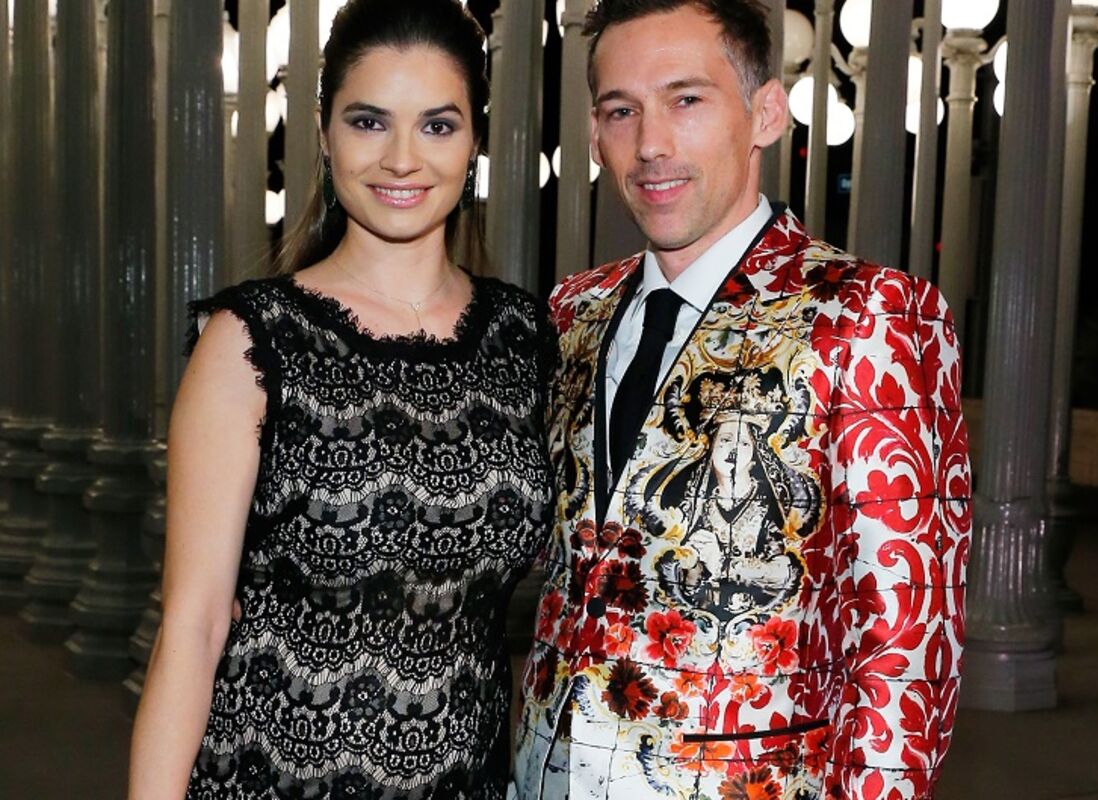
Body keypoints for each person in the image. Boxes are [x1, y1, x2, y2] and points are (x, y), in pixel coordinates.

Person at [510, 1, 972, 798]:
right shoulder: (570, 312)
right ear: (593, 134)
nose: (650, 144)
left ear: (766, 113)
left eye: (686, 100)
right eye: (621, 111)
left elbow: (908, 644)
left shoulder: (867, 314)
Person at [128, 1, 555, 797]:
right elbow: (192, 629)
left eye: (437, 125)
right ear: (324, 134)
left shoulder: (527, 339)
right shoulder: (253, 340)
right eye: (369, 122)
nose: (402, 159)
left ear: (474, 141)